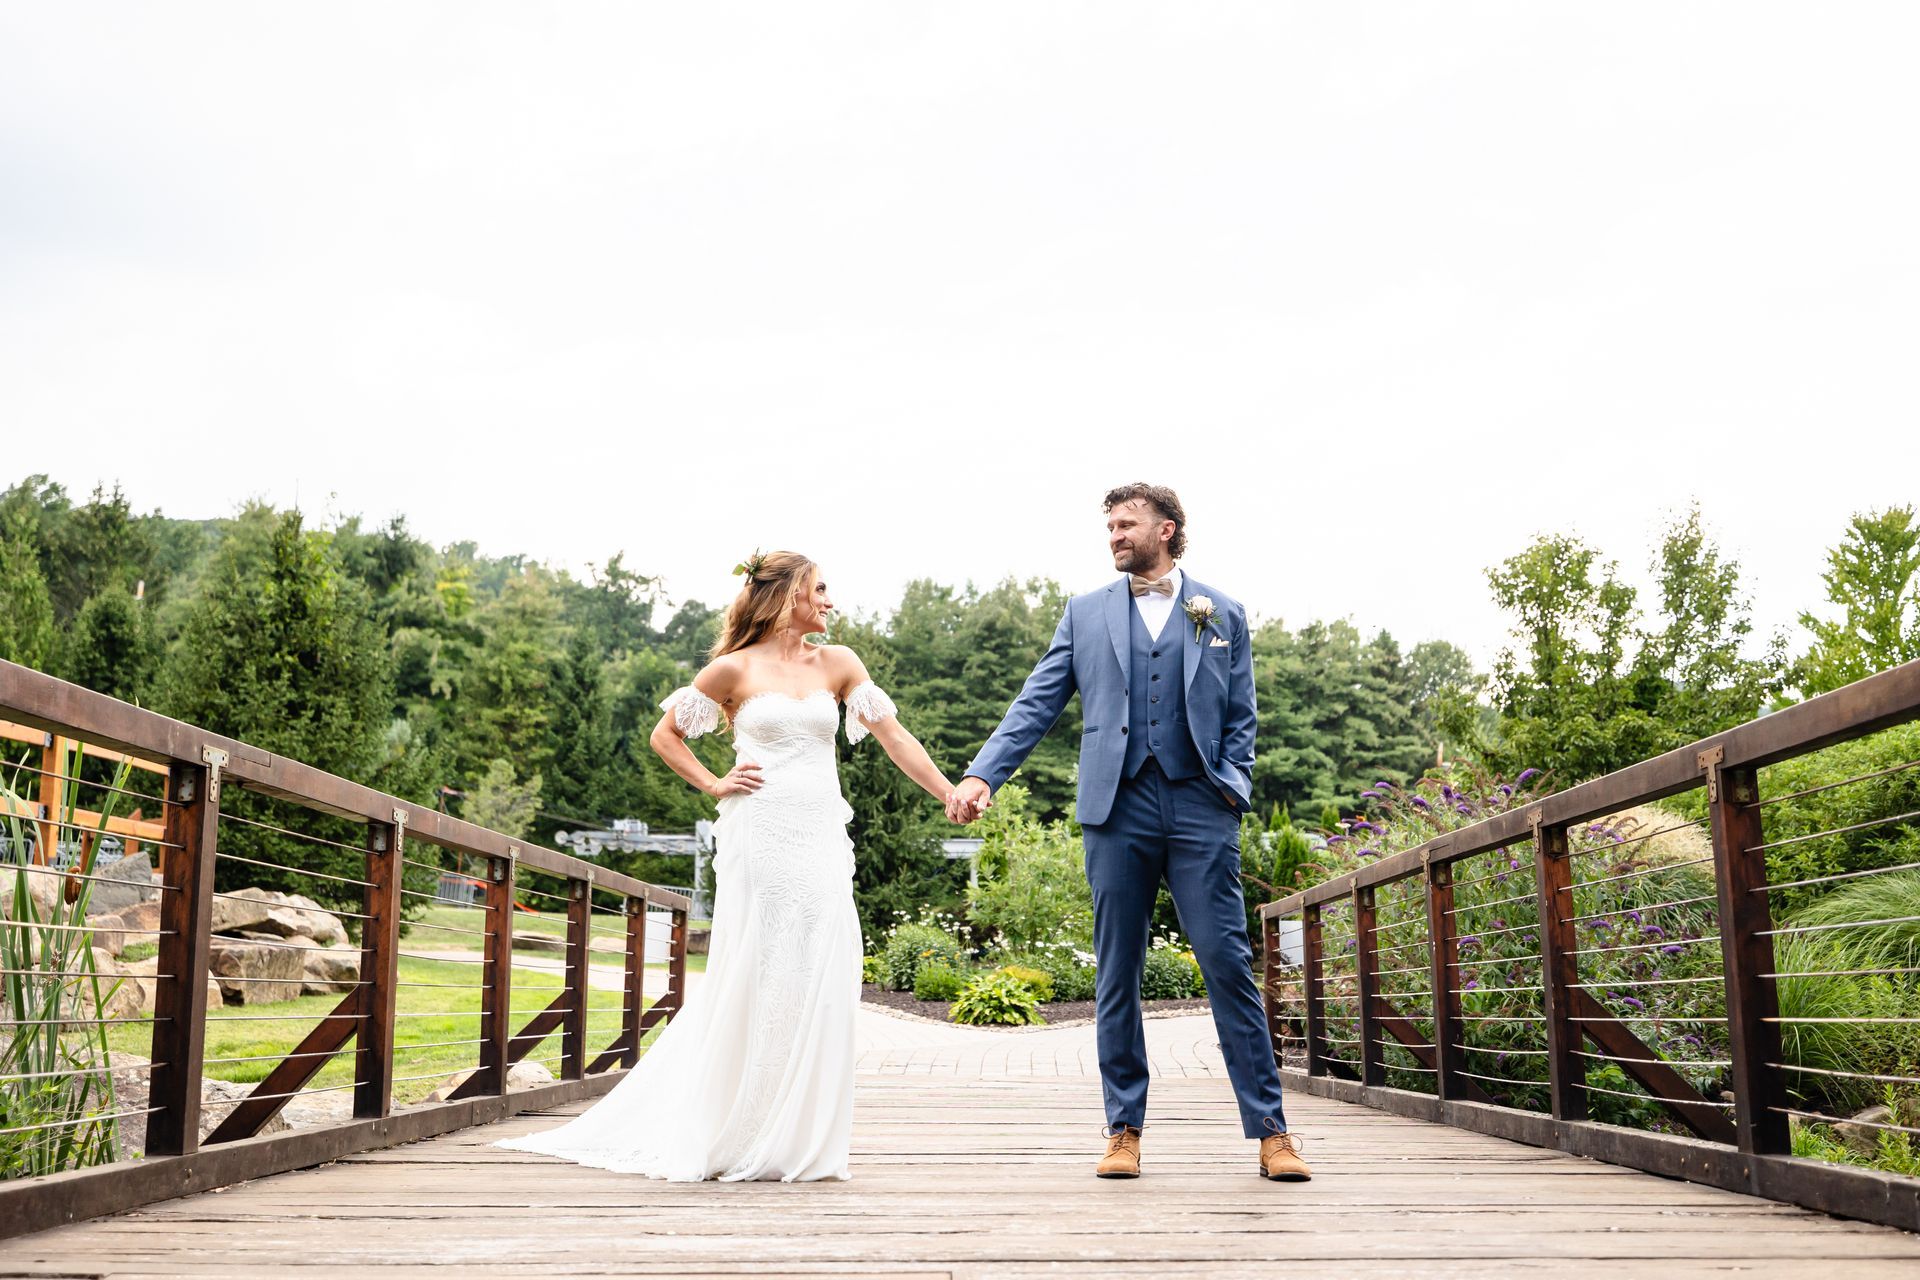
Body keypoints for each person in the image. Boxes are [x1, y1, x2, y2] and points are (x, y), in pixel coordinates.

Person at [496, 550, 955, 1181]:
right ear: (789, 595)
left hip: (821, 833)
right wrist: (714, 783)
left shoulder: (841, 663)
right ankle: (736, 1125)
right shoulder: (731, 669)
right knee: (761, 966)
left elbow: (894, 736)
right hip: (761, 834)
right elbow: (665, 735)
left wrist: (949, 792)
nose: (828, 600)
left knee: (825, 960)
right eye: (819, 589)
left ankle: (799, 1132)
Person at [949, 483, 1310, 1182]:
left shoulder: (1222, 611)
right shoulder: (1085, 615)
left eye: (1126, 523)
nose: (1114, 534)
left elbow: (1242, 717)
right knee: (1119, 972)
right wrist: (984, 774)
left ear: (1166, 529)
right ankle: (1123, 1130)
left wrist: (1231, 788)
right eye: (1109, 525)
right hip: (1115, 811)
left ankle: (1272, 1132)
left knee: (1229, 966)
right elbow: (1037, 701)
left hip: (1200, 807)